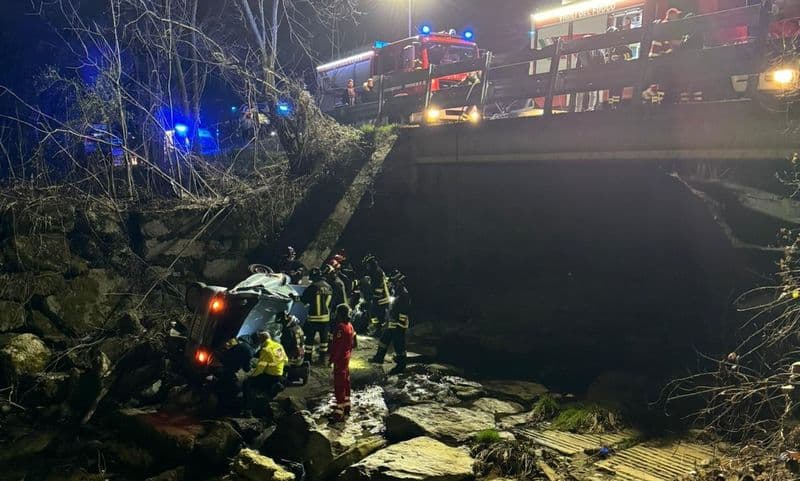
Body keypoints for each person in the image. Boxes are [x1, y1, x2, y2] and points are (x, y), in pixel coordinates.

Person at [370, 270, 411, 374]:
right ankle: (379, 357)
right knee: (384, 340)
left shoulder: (403, 294)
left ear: (399, 282)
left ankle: (401, 366)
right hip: (392, 322)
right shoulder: (396, 291)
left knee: (399, 345)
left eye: (393, 281)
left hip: (399, 325)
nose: (391, 283)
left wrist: (400, 325)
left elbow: (404, 311)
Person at [244, 331, 288, 409]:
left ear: (261, 340)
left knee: (247, 383)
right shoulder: (278, 345)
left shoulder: (265, 349)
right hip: (280, 375)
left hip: (270, 377)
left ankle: (248, 409)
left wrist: (251, 375)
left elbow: (260, 368)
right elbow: (285, 360)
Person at [329, 304, 357, 422]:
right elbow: (354, 343)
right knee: (346, 380)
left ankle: (339, 410)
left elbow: (337, 346)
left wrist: (332, 359)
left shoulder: (340, 327)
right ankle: (347, 404)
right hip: (347, 357)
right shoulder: (350, 326)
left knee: (339, 382)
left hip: (340, 359)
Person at [217, 334, 258, 413]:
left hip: (222, 364)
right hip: (227, 370)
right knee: (235, 389)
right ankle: (222, 410)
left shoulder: (241, 343)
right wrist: (252, 367)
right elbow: (246, 369)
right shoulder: (250, 351)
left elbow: (227, 352)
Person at [301, 268, 333, 364]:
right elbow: (331, 303)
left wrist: (295, 298)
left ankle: (307, 359)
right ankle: (322, 359)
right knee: (324, 340)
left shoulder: (313, 287)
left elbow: (304, 300)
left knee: (309, 340)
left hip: (313, 318)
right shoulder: (329, 287)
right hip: (325, 318)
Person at [278, 310, 308, 386]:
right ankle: (297, 372)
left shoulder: (289, 331)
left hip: (293, 357)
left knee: (276, 359)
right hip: (300, 354)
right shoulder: (297, 327)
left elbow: (285, 346)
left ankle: (298, 372)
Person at [362, 255, 391, 335]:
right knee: (377, 314)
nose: (366, 266)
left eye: (367, 264)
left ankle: (378, 330)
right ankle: (378, 329)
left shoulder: (376, 272)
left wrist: (372, 297)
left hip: (380, 298)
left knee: (375, 313)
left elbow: (378, 286)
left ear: (370, 264)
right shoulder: (378, 271)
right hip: (382, 297)